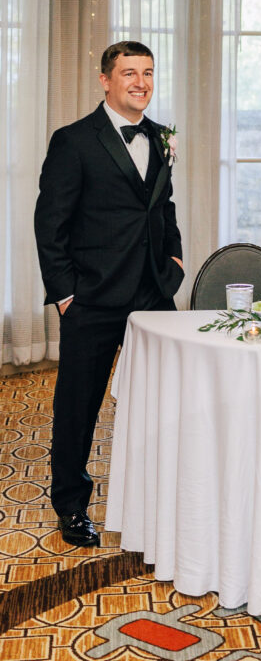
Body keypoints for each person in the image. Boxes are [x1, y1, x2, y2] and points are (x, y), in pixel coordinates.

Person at [34, 41, 184, 548]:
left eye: (147, 72)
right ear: (105, 80)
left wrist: (176, 264)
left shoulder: (162, 137)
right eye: (128, 73)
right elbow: (49, 223)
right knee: (78, 406)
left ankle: (159, 496)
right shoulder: (73, 141)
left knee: (162, 402)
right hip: (92, 297)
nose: (140, 82)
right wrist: (65, 294)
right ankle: (72, 506)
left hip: (152, 294)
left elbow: (163, 207)